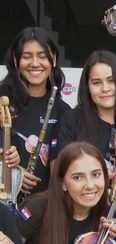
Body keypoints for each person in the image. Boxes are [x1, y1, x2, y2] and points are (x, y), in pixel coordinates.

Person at [52, 50, 116, 197]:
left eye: (111, 81)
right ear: (87, 87)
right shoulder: (71, 120)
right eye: (96, 82)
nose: (105, 89)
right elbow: (58, 173)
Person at [0, 27, 71, 194]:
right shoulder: (2, 99)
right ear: (16, 60)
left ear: (53, 59)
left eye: (42, 56)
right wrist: (13, 174)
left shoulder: (63, 110)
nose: (35, 63)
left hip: (44, 208)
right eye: (27, 57)